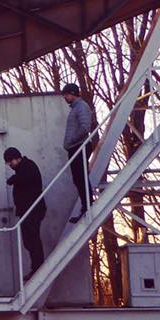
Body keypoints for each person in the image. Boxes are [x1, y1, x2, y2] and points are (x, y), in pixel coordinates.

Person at [3, 147, 46, 279]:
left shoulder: (28, 166)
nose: (10, 164)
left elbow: (25, 179)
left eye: (11, 161)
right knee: (28, 240)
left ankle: (38, 267)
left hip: (32, 210)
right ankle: (36, 266)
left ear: (17, 158)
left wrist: (13, 179)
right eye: (8, 162)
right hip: (27, 210)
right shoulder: (23, 168)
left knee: (32, 238)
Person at [61, 82, 93, 222]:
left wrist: (72, 140)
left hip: (79, 146)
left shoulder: (81, 107)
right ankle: (86, 205)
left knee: (80, 177)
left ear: (73, 93)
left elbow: (85, 127)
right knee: (78, 178)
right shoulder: (76, 108)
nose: (65, 97)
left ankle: (87, 205)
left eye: (66, 94)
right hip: (75, 147)